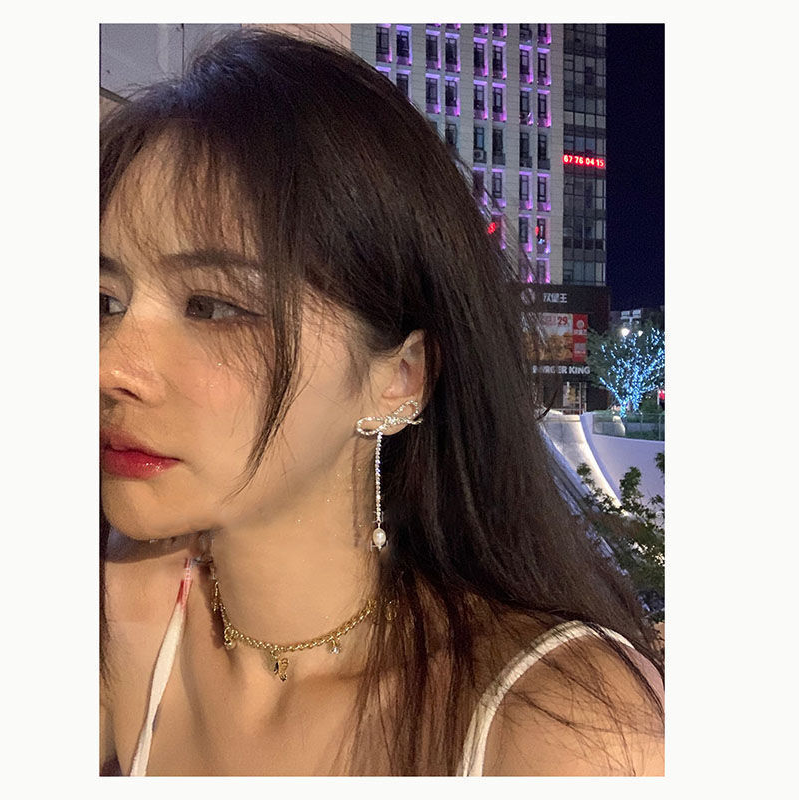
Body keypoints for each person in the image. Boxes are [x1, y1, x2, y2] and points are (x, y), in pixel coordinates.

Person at [100, 28, 664, 776]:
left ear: (398, 379)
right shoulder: (130, 607)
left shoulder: (563, 730)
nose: (107, 367)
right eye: (103, 302)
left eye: (212, 307)